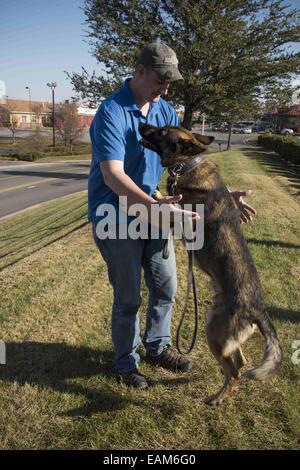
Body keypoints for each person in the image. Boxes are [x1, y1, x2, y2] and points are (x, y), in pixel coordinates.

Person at [88, 42, 256, 389]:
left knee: (166, 287)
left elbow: (184, 157)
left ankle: (158, 346)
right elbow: (112, 176)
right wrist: (152, 208)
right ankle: (126, 363)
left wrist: (222, 198)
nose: (165, 88)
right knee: (129, 297)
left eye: (170, 82)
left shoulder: (164, 111)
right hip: (115, 211)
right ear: (140, 71)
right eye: (160, 79)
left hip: (155, 207)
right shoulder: (112, 111)